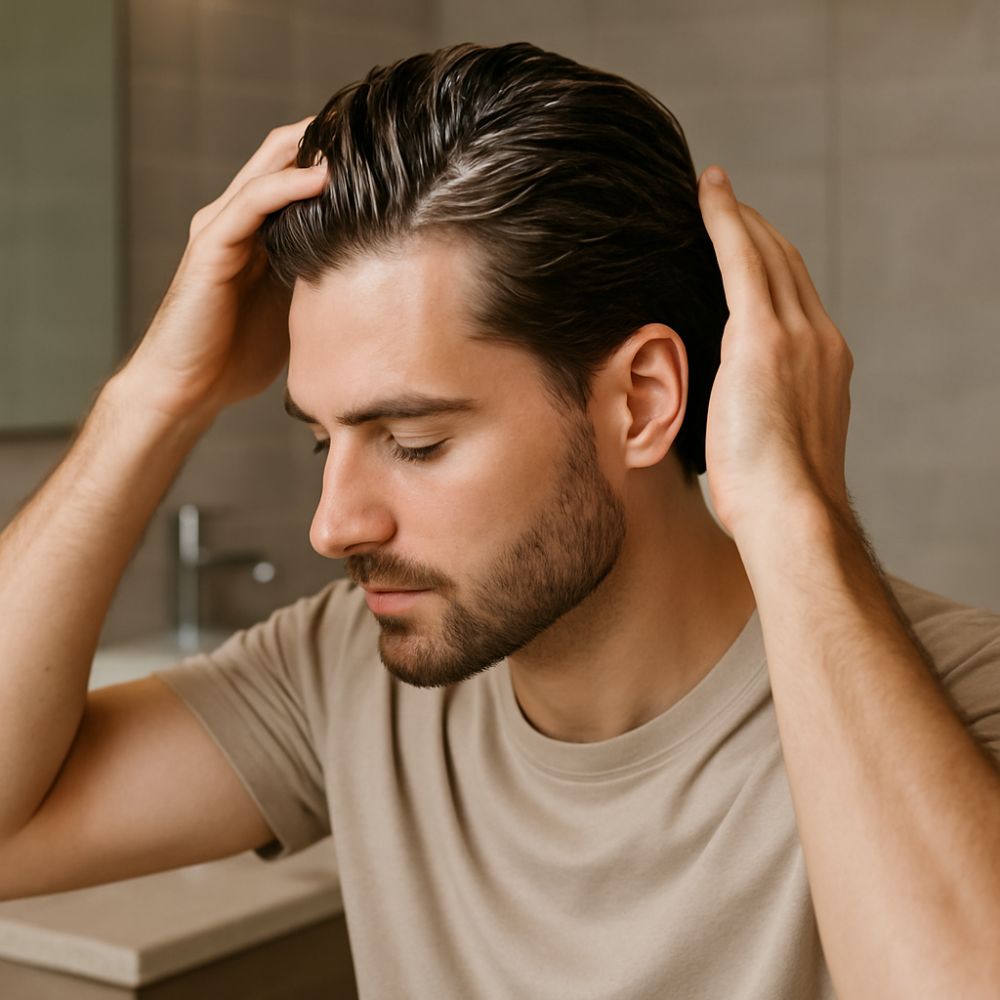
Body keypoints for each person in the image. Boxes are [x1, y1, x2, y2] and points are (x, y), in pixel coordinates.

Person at [1, 40, 998, 999]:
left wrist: (794, 511)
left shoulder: (962, 695)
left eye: (415, 440)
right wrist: (151, 401)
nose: (333, 523)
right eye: (322, 439)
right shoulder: (342, 673)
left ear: (642, 401)